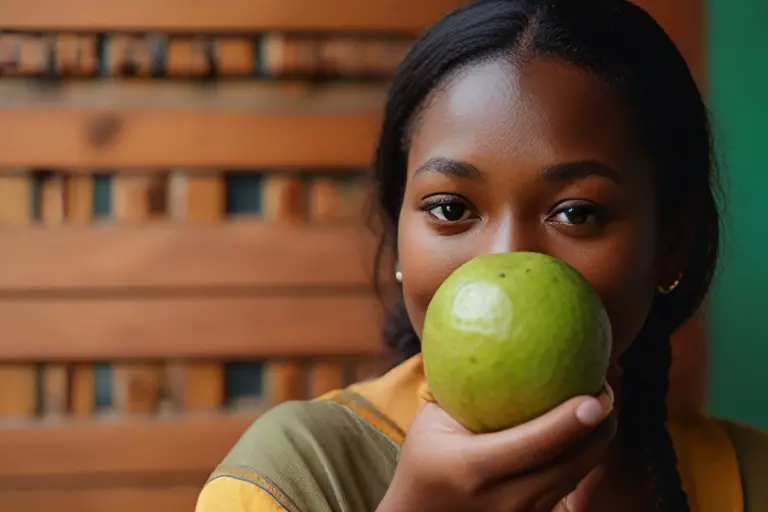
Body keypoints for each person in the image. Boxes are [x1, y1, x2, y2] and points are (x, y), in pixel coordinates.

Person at [196, 0, 768, 510]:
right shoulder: (286, 481)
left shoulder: (750, 481)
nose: (505, 260)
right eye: (450, 209)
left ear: (671, 246)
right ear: (399, 234)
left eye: (577, 213)